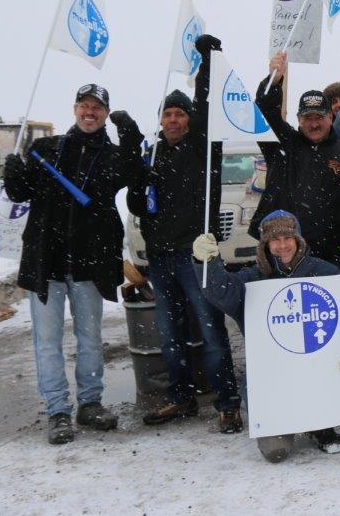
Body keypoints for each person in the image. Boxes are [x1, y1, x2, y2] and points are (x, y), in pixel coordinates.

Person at [3, 84, 145, 444]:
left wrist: (128, 131)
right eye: (85, 105)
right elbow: (20, 192)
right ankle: (57, 411)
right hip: (45, 263)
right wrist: (12, 169)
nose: (90, 112)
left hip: (89, 265)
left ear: (104, 113)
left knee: (90, 338)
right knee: (47, 340)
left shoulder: (112, 156)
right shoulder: (45, 149)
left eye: (97, 107)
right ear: (75, 109)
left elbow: (134, 175)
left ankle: (89, 404)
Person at [126, 34, 242, 433]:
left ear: (189, 119)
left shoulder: (202, 147)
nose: (173, 120)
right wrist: (137, 184)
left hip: (198, 258)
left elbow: (208, 103)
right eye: (167, 114)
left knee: (211, 333)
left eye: (179, 114)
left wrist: (207, 61)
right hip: (161, 259)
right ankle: (180, 398)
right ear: (160, 120)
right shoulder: (153, 153)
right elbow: (139, 206)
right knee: (170, 335)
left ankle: (227, 402)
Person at [195, 210, 340, 463]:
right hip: (273, 379)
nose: (281, 245)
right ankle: (286, 420)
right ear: (265, 244)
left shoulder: (327, 273)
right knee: (275, 452)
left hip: (317, 371)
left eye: (287, 238)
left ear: (298, 240)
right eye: (274, 240)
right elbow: (220, 293)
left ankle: (320, 424)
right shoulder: (252, 279)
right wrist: (206, 263)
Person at [251, 52, 340, 270]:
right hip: (283, 251)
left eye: (319, 117)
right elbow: (264, 112)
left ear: (330, 117)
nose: (314, 123)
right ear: (298, 119)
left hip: (332, 253)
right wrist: (274, 80)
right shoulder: (283, 143)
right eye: (308, 118)